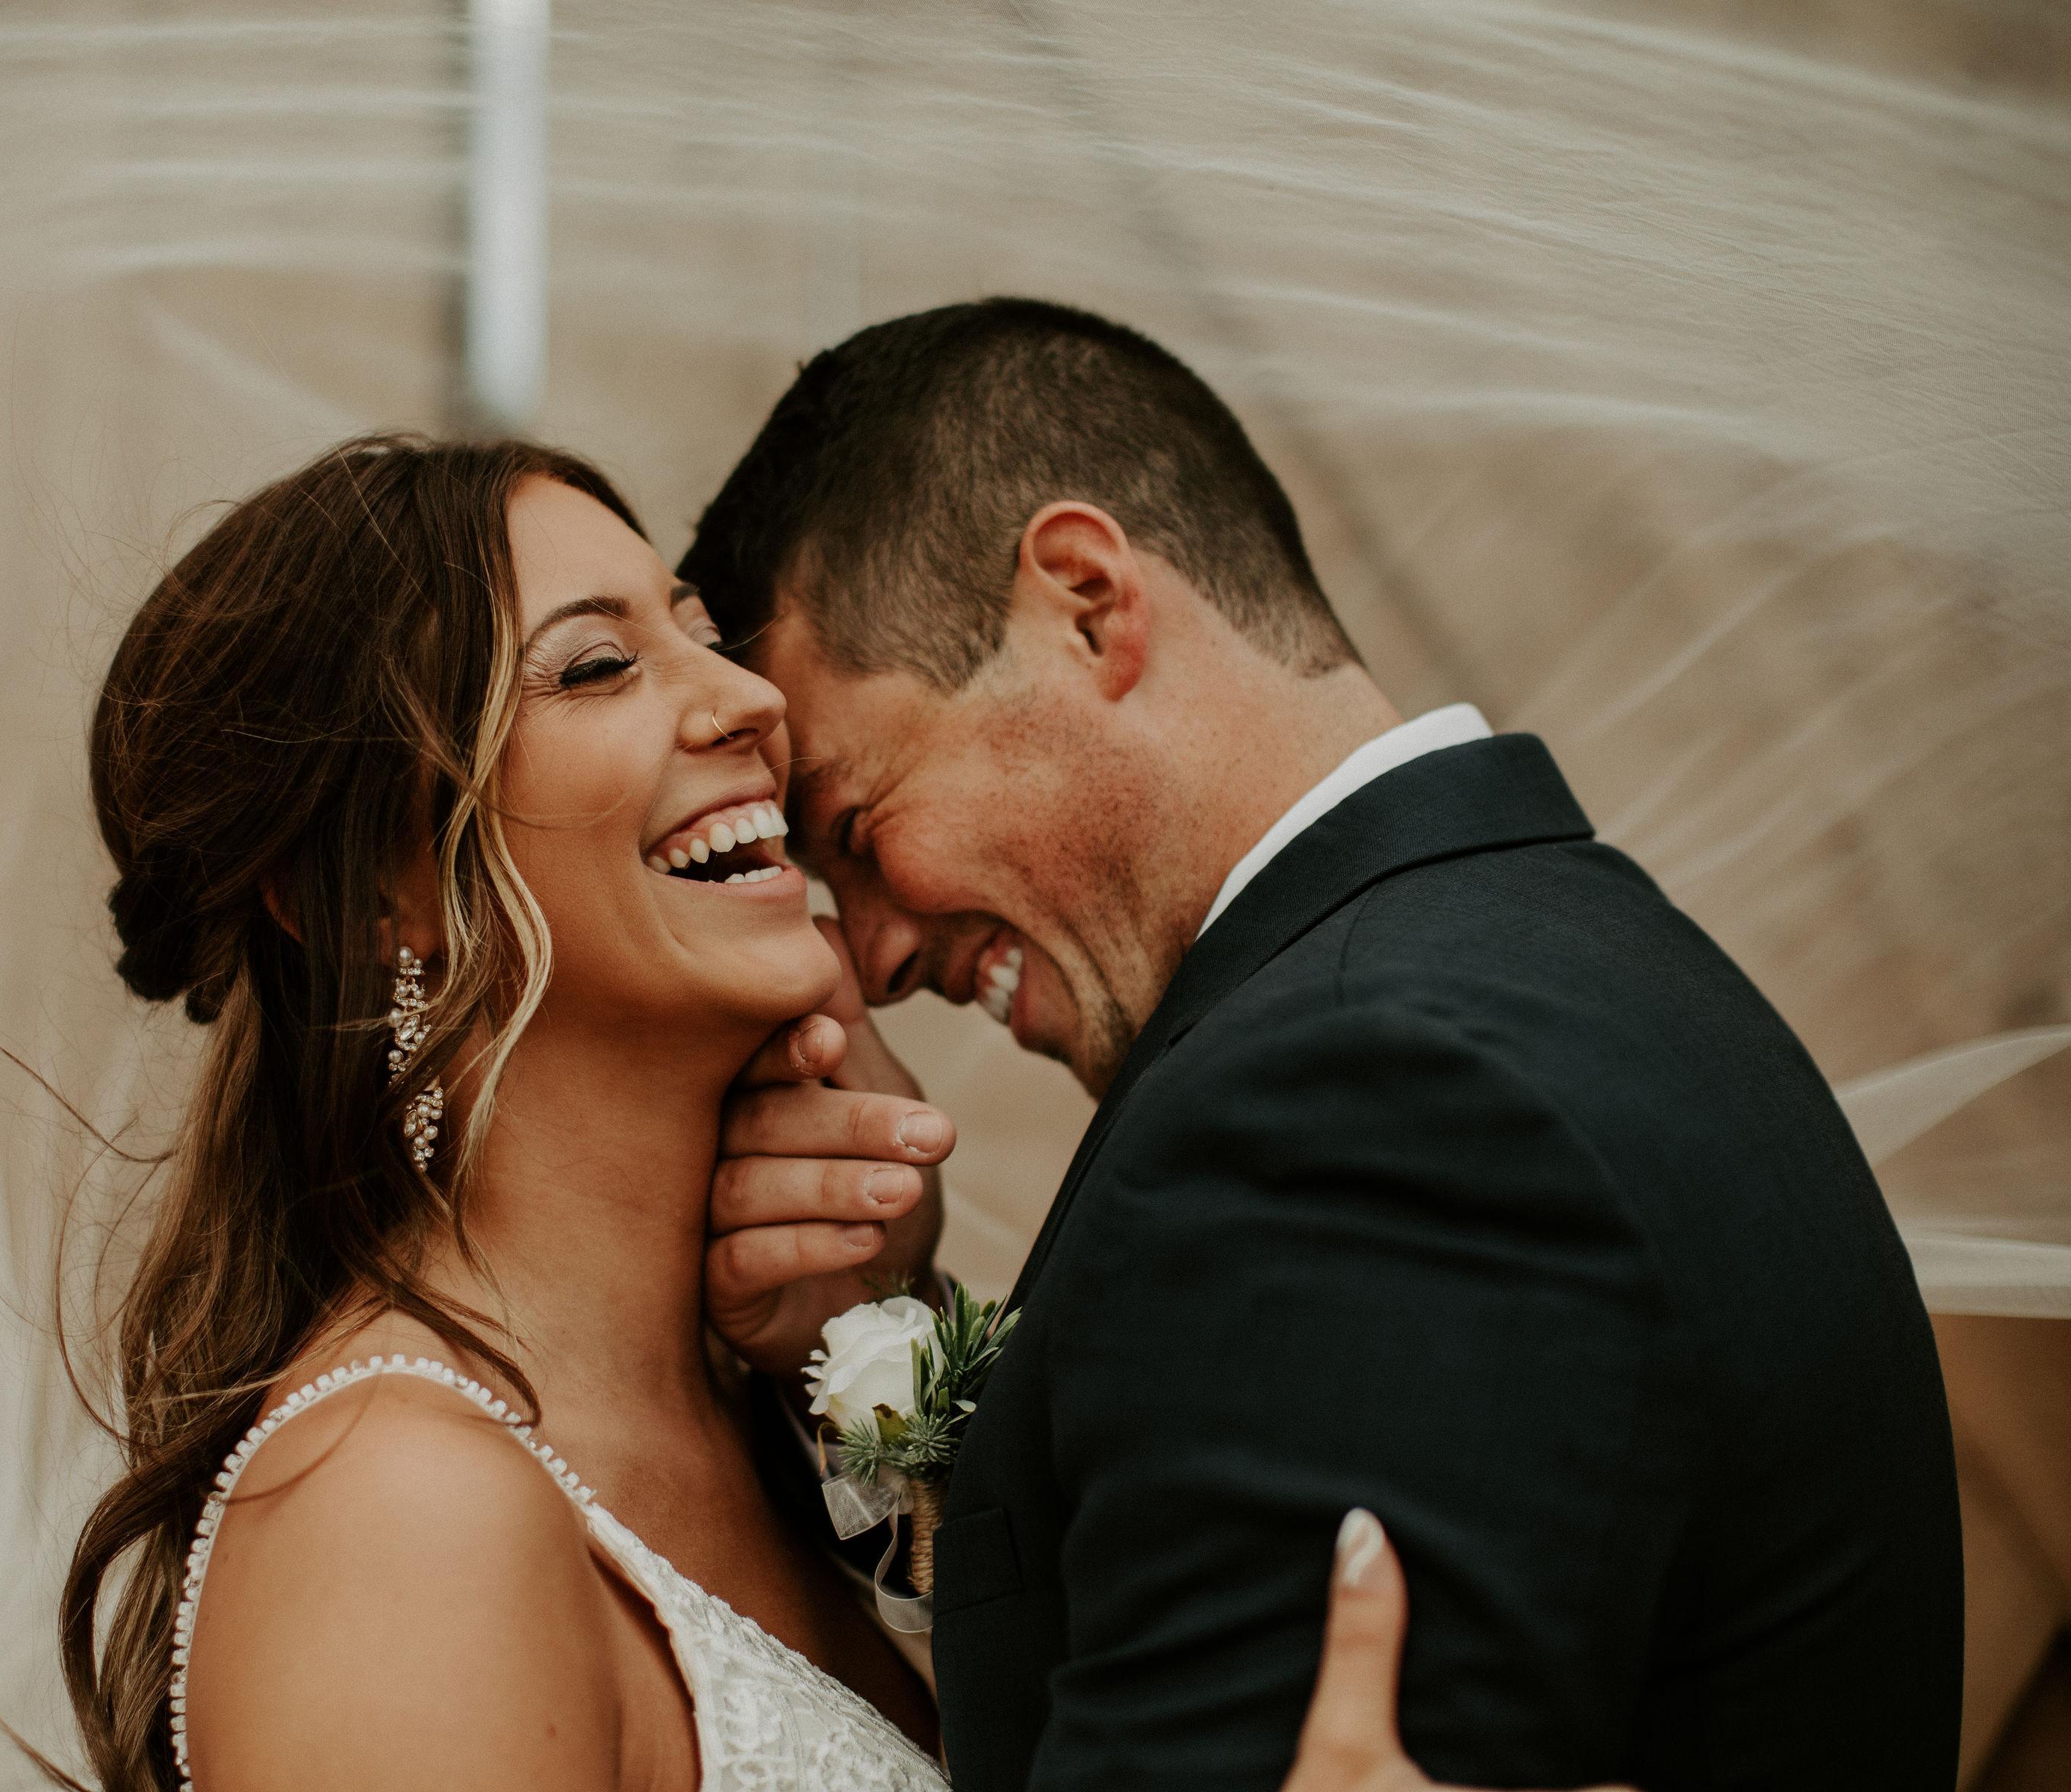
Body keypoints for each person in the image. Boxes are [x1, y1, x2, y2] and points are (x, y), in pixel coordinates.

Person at [51, 434, 1579, 1792]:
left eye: (705, 638)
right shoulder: (402, 1511)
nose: (750, 701)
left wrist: (881, 1345)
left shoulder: (789, 1418)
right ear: (372, 893)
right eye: (599, 665)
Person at [679, 298, 1966, 1791]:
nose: (873, 957)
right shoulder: (1544, 959)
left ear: (1087, 602)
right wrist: (881, 1343)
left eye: (854, 829)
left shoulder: (1356, 1107)